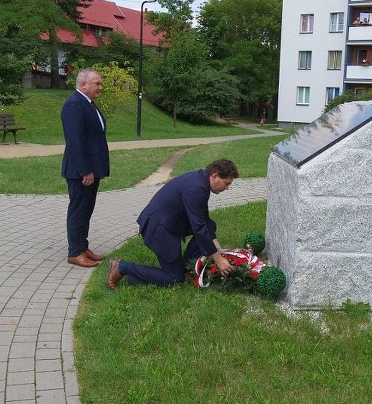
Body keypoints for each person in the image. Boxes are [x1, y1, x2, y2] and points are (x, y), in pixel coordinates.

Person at [106, 159, 239, 289]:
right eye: (226, 183)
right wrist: (218, 260)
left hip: (168, 223)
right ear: (215, 176)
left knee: (210, 225)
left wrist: (218, 250)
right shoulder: (197, 189)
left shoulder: (201, 181)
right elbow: (199, 228)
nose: (227, 188)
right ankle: (122, 267)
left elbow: (205, 221)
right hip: (158, 229)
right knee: (175, 279)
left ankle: (183, 269)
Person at [61, 69, 110, 268]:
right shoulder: (74, 105)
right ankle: (75, 252)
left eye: (100, 83)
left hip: (91, 169)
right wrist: (85, 170)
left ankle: (83, 247)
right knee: (78, 211)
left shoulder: (87, 104)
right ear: (83, 85)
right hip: (81, 171)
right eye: (97, 83)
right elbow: (75, 141)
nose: (101, 87)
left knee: (86, 210)